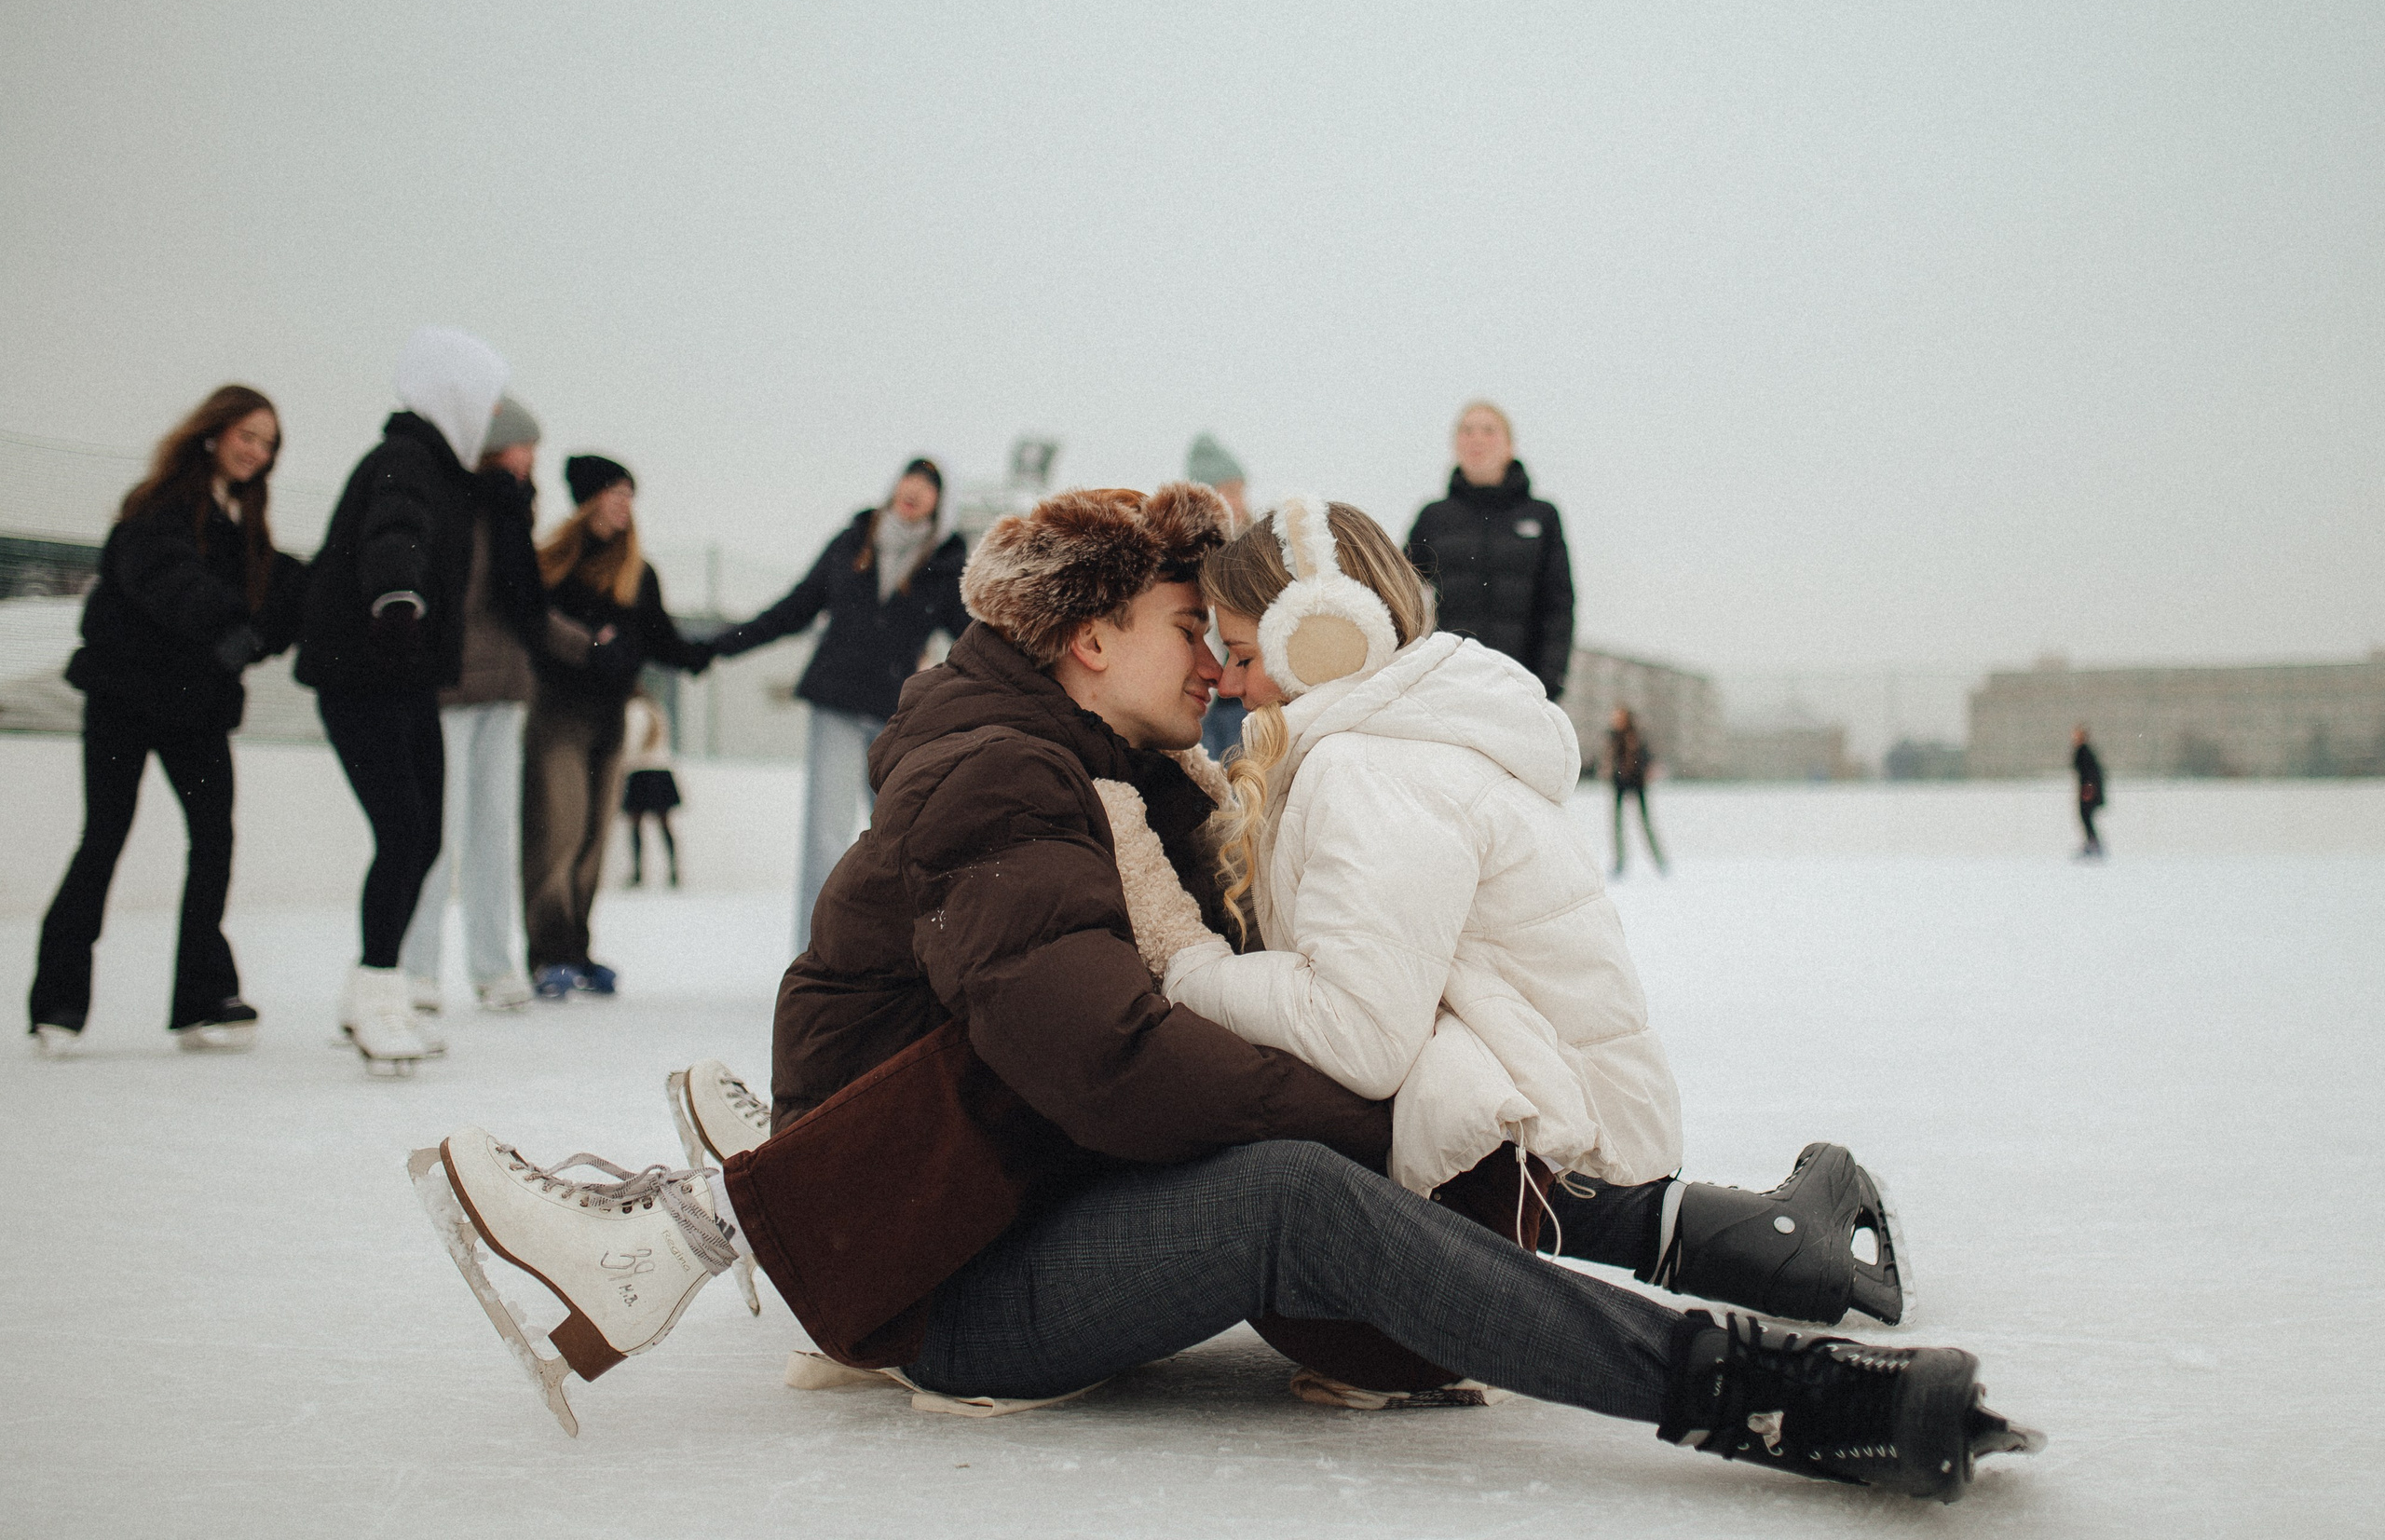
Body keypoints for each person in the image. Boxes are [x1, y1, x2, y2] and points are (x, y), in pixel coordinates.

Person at [416, 484, 2036, 1502]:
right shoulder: (1006, 772)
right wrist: (1375, 1101)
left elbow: (1199, 1008)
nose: (1218, 661)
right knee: (1281, 1176)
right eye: (1190, 628)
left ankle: (740, 1194)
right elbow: (1118, 1064)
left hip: (989, 1205)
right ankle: (1743, 1392)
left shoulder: (1114, 769)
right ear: (1085, 639)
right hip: (955, 1284)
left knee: (1310, 1123)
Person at [1123, 499, 1900, 1337]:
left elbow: (1358, 1033)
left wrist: (1193, 973)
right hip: (1556, 1085)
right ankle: (1743, 1234)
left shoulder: (1372, 769)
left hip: (1556, 1118)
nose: (1229, 680)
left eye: (1241, 654)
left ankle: (1769, 1239)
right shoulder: (1391, 737)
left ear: (1324, 637)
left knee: (1335, 1106)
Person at [28, 385, 307, 1056]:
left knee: (213, 841)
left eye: (268, 442)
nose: (257, 451)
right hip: (126, 698)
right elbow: (171, 581)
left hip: (195, 708)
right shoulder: (159, 505)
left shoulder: (243, 520)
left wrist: (288, 607)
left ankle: (202, 996)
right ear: (213, 433)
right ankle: (58, 1004)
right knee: (104, 838)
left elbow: (264, 599)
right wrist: (233, 630)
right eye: (248, 434)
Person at [297, 328, 513, 1070]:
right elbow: (396, 533)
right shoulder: (404, 461)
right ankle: (378, 993)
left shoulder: (445, 472)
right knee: (404, 831)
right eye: (480, 399)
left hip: (405, 675)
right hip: (365, 671)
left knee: (422, 838)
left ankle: (370, 987)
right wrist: (399, 594)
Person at [704, 458, 966, 951]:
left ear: (940, 503)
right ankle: (812, 956)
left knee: (899, 838)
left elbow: (969, 638)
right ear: (895, 485)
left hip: (897, 716)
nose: (915, 489)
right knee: (825, 837)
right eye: (911, 477)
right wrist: (717, 645)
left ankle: (901, 959)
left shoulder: (946, 562)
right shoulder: (852, 542)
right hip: (838, 704)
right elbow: (795, 608)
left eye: (930, 485)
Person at [522, 454, 713, 999]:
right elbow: (535, 628)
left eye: (630, 495)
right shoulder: (554, 565)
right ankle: (548, 954)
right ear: (588, 500)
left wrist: (716, 648)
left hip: (609, 721)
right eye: (614, 492)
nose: (624, 504)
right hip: (558, 716)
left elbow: (664, 640)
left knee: (591, 842)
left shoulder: (638, 574)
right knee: (554, 835)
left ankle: (578, 950)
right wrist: (591, 646)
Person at [396, 395, 547, 1016]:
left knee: (494, 833)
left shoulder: (515, 511)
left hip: (505, 690)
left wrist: (582, 645)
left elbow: (527, 608)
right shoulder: (462, 503)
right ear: (497, 446)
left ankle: (493, 963)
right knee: (436, 830)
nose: (533, 458)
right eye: (525, 445)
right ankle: (416, 967)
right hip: (452, 688)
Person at [1403, 401, 1574, 701]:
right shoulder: (1434, 518)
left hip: (1522, 685)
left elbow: (1558, 606)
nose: (1476, 439)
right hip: (1448, 683)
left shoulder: (1542, 517)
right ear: (1455, 444)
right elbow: (1397, 590)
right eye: (1467, 431)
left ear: (1510, 446)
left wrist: (1549, 682)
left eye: (1488, 430)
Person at [1185, 432, 1253, 761]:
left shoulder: (1253, 555)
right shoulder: (1185, 564)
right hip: (1208, 700)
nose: (1240, 503)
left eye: (1241, 492)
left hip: (1238, 699)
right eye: (1231, 492)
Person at [620, 690, 682, 887]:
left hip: (642, 771)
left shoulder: (634, 710)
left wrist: (622, 765)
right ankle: (673, 870)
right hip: (660, 770)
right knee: (664, 823)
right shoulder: (656, 709)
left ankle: (639, 872)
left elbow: (632, 744)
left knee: (636, 822)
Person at [1607, 705, 1666, 876]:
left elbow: (1645, 757)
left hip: (1636, 782)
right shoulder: (1614, 736)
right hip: (1620, 783)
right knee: (1618, 825)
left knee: (1644, 823)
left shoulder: (1635, 736)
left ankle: (1659, 861)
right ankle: (1620, 863)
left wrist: (1645, 770)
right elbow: (1611, 758)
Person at [2073, 724, 2106, 858]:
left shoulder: (2084, 751)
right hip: (2087, 789)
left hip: (2088, 790)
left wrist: (2088, 789)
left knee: (2086, 816)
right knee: (2086, 817)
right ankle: (2092, 843)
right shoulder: (2082, 751)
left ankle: (2093, 844)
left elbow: (2090, 773)